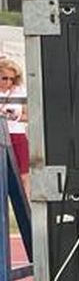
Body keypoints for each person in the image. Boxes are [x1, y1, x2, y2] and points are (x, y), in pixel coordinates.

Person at [0, 57, 27, 191]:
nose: (8, 82)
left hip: (17, 134)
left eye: (11, 79)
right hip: (2, 135)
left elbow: (30, 115)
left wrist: (15, 116)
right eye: (4, 78)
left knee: (22, 175)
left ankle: (27, 206)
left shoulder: (19, 91)